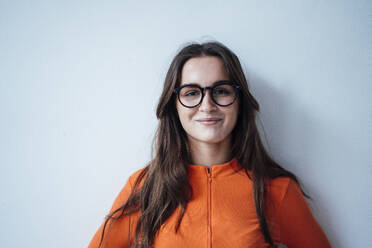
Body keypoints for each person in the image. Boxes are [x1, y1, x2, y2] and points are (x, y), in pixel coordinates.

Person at [88, 41, 331, 248]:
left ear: (239, 102)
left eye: (221, 90)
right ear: (174, 105)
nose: (207, 105)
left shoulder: (277, 190)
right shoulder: (146, 187)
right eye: (192, 92)